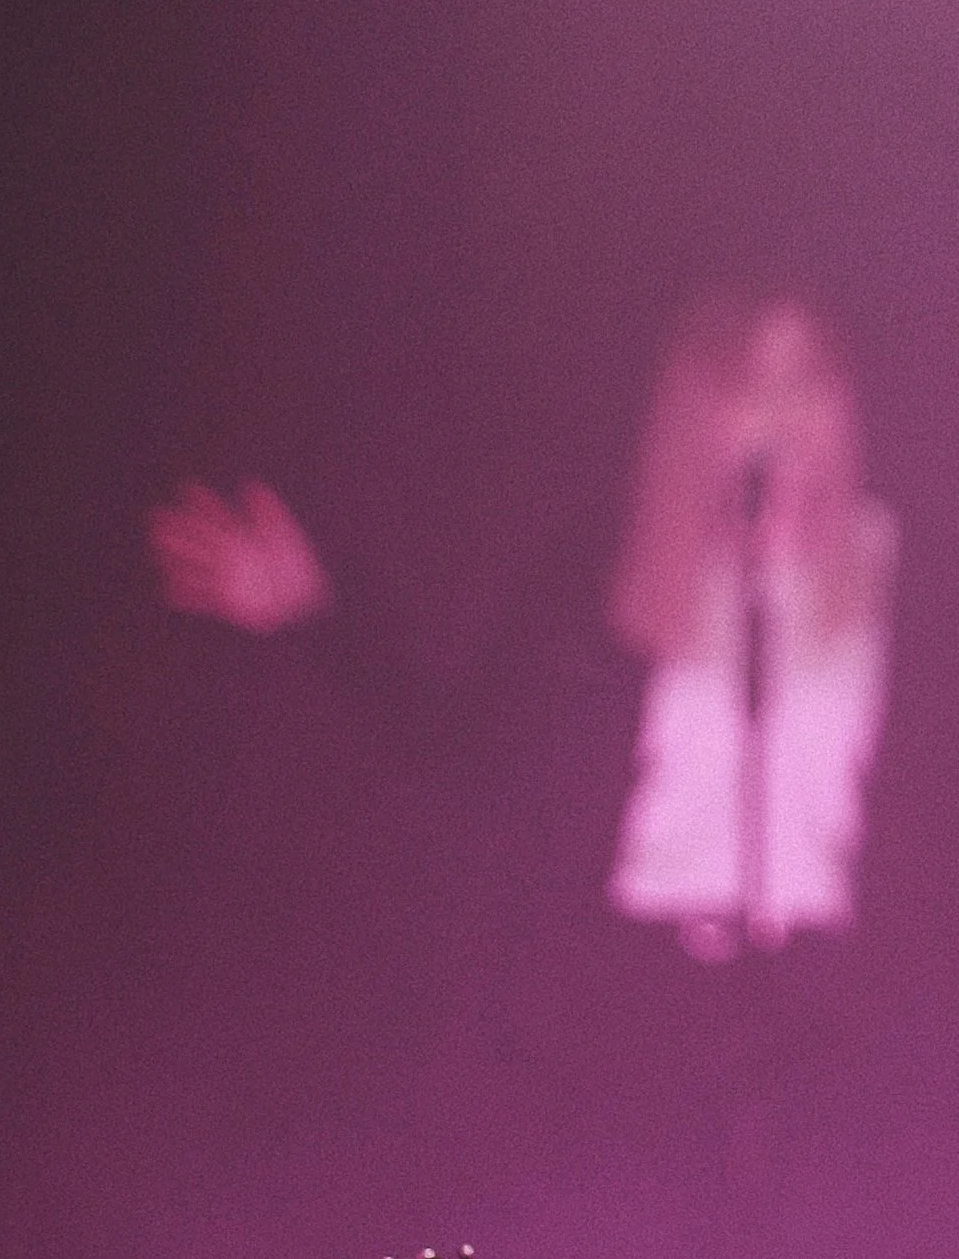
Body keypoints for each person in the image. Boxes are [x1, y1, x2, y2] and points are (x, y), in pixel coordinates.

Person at [149, 291, 895, 957]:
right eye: (750, 387)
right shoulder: (612, 573)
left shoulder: (894, 574)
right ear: (696, 413)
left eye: (809, 382)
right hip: (623, 1020)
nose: (785, 417)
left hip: (848, 1036)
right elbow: (470, 757)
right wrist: (318, 612)